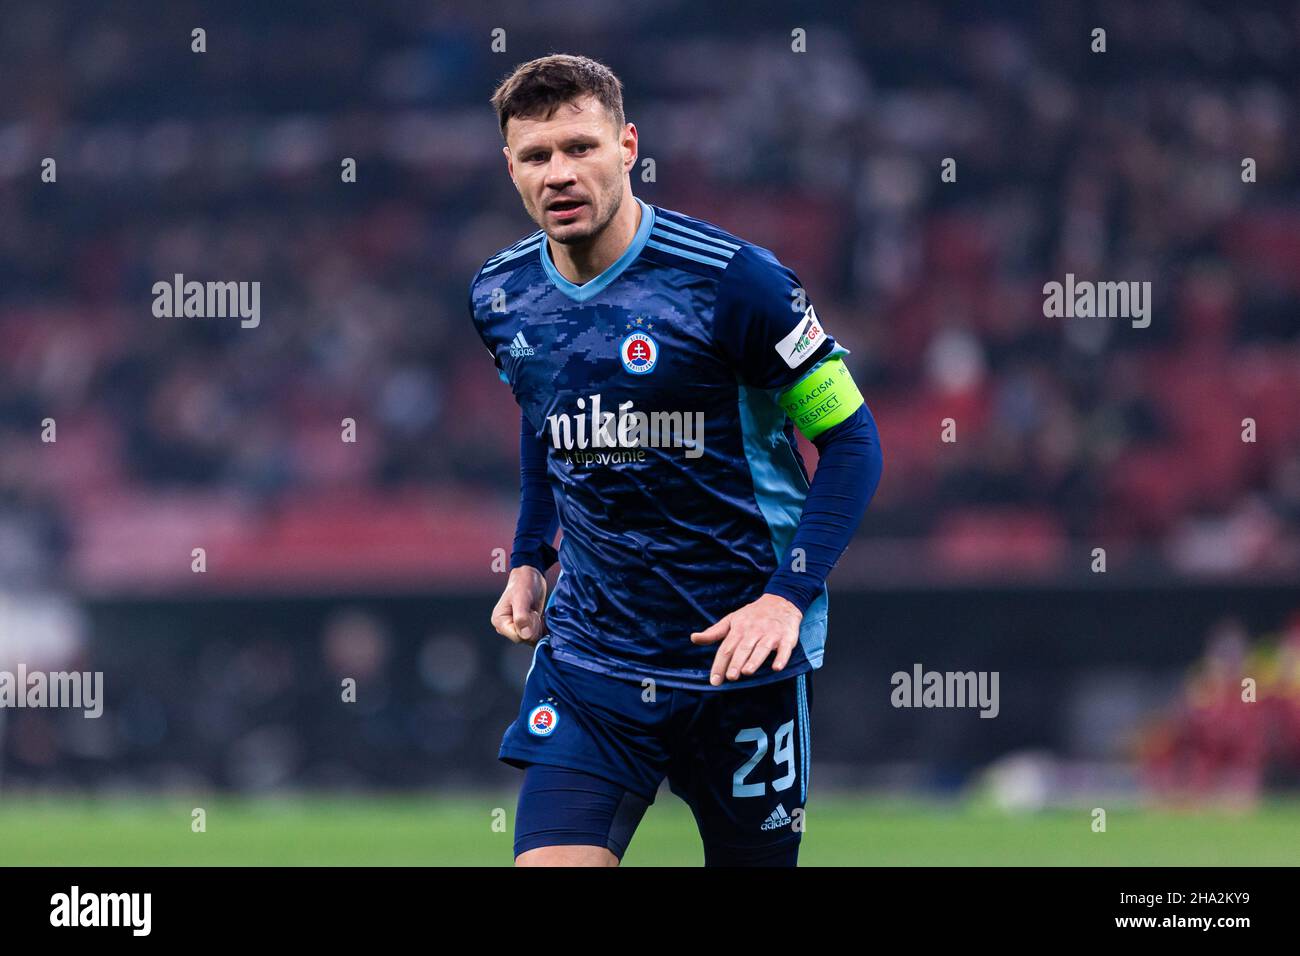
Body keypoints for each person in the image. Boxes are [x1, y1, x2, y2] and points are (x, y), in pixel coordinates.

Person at [468, 54, 883, 866]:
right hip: (593, 660)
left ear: (627, 146)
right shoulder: (500, 295)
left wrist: (787, 599)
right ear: (509, 167)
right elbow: (543, 417)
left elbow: (852, 441)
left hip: (738, 655)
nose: (560, 172)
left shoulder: (738, 284)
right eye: (537, 155)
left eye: (581, 147)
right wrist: (528, 557)